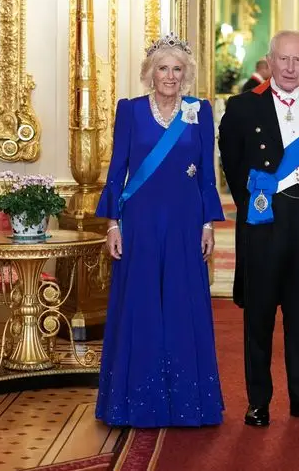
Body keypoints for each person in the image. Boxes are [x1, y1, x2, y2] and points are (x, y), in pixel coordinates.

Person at [94, 33, 225, 428]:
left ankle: (189, 403)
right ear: (149, 74)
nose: (169, 76)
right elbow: (117, 172)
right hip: (142, 222)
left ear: (186, 75)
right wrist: (113, 224)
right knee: (141, 305)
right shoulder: (130, 110)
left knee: (184, 304)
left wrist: (207, 223)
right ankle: (136, 403)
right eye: (162, 69)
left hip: (186, 222)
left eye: (177, 69)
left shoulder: (198, 111)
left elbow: (206, 174)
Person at [218, 30, 299, 427]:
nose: (289, 68)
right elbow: (231, 163)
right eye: (282, 60)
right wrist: (255, 201)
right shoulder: (242, 107)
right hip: (264, 219)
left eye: (297, 61)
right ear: (269, 61)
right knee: (260, 314)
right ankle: (259, 401)